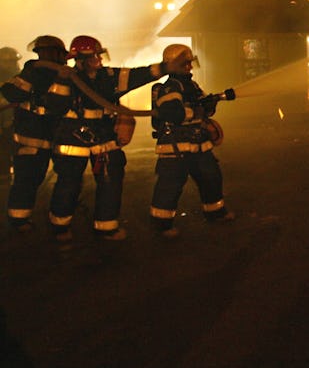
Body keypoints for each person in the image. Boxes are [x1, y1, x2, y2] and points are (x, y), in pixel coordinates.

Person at [45, 35, 183, 242]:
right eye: (94, 57)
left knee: (111, 179)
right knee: (69, 182)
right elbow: (54, 106)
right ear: (80, 60)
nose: (99, 60)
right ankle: (60, 226)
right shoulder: (68, 78)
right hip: (72, 137)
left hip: (103, 135)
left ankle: (106, 227)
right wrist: (62, 80)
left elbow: (138, 75)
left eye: (100, 56)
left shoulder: (108, 77)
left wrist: (165, 68)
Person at [150, 43, 235, 238]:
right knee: (170, 185)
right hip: (175, 146)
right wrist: (197, 109)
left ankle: (215, 212)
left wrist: (211, 103)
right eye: (185, 64)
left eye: (190, 63)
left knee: (211, 176)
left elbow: (205, 109)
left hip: (198, 143)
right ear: (172, 65)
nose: (189, 67)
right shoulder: (170, 87)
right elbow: (173, 113)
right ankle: (162, 224)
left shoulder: (193, 86)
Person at [1, 37, 68, 232]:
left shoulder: (64, 74)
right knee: (28, 179)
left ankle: (57, 219)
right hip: (32, 136)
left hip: (56, 134)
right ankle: (19, 220)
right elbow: (11, 94)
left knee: (66, 180)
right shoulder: (32, 72)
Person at [0, 46, 22, 178]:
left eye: (14, 61)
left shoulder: (19, 77)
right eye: (8, 62)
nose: (13, 64)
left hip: (15, 121)